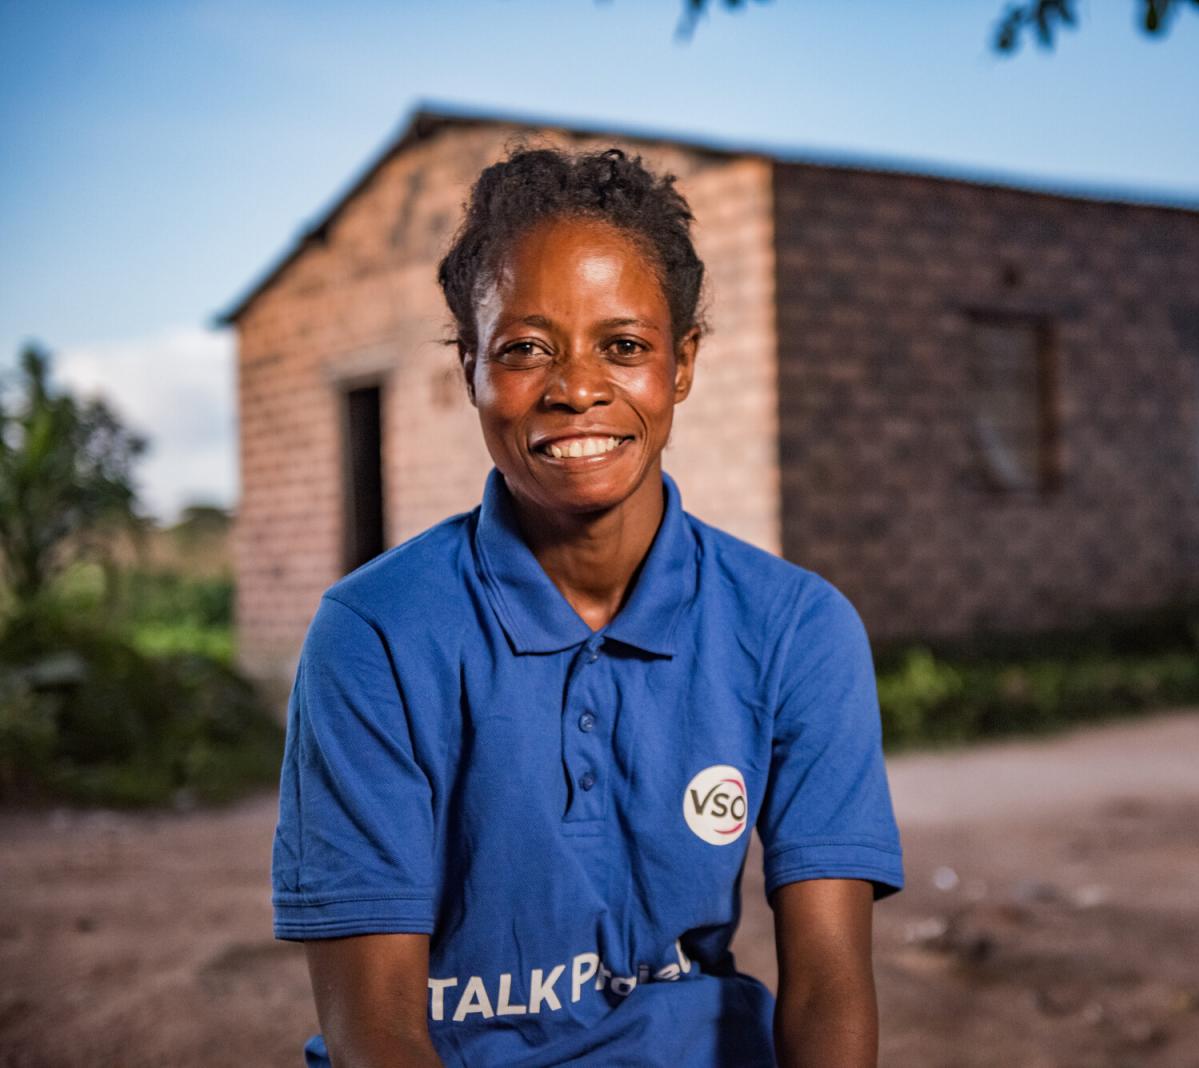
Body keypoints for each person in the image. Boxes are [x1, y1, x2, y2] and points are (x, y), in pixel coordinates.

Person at [270, 145, 904, 1067]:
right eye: (525, 349)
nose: (575, 388)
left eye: (625, 346)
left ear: (680, 364)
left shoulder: (796, 629)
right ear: (469, 369)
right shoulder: (376, 635)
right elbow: (377, 1033)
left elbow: (833, 985)